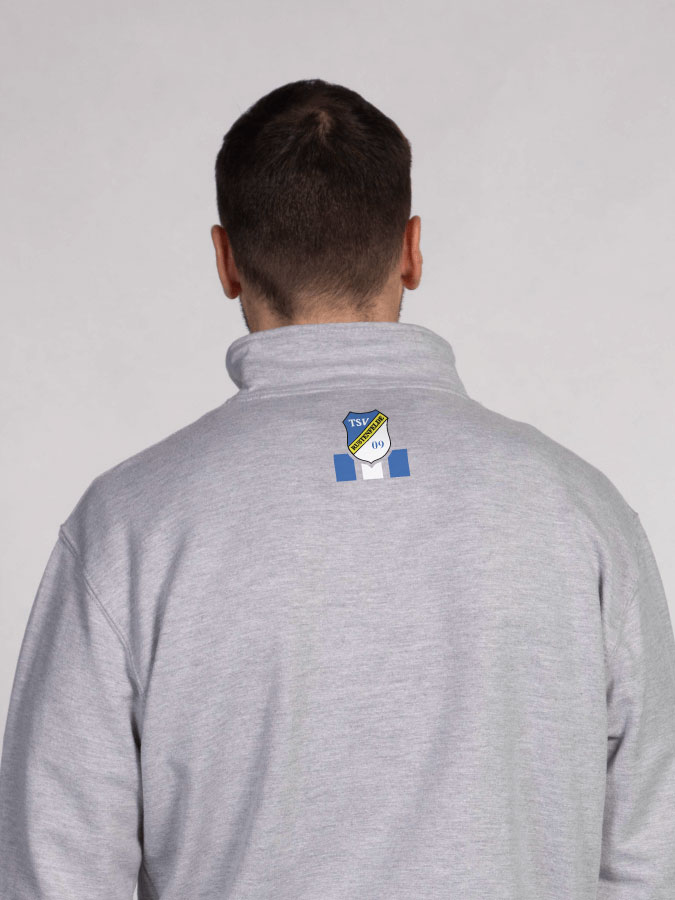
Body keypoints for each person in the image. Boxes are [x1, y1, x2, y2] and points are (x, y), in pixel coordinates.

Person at [0, 77, 674, 900]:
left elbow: (57, 873)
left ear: (225, 261)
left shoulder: (129, 527)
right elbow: (649, 857)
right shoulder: (581, 512)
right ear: (412, 250)